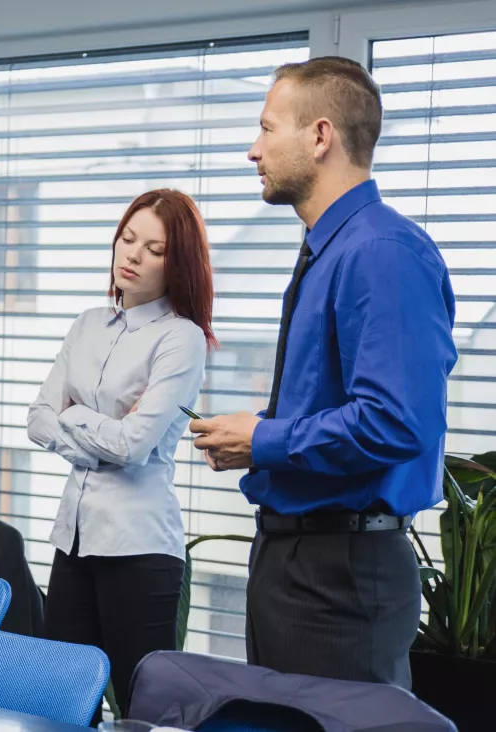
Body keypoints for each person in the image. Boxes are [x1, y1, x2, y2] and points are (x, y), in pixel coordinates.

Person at [188, 57, 456, 689]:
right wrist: (262, 435)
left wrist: (264, 440)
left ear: (320, 136)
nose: (253, 150)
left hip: (341, 577)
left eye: (266, 128)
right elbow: (335, 403)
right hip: (299, 562)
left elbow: (395, 422)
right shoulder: (332, 248)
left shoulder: (380, 252)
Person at [27, 189, 217, 720]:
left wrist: (75, 415)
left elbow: (134, 447)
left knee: (143, 712)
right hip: (75, 539)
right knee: (62, 705)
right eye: (127, 239)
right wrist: (99, 430)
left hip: (139, 549)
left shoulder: (182, 339)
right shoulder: (88, 323)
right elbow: (36, 417)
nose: (131, 255)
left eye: (153, 249)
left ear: (177, 262)